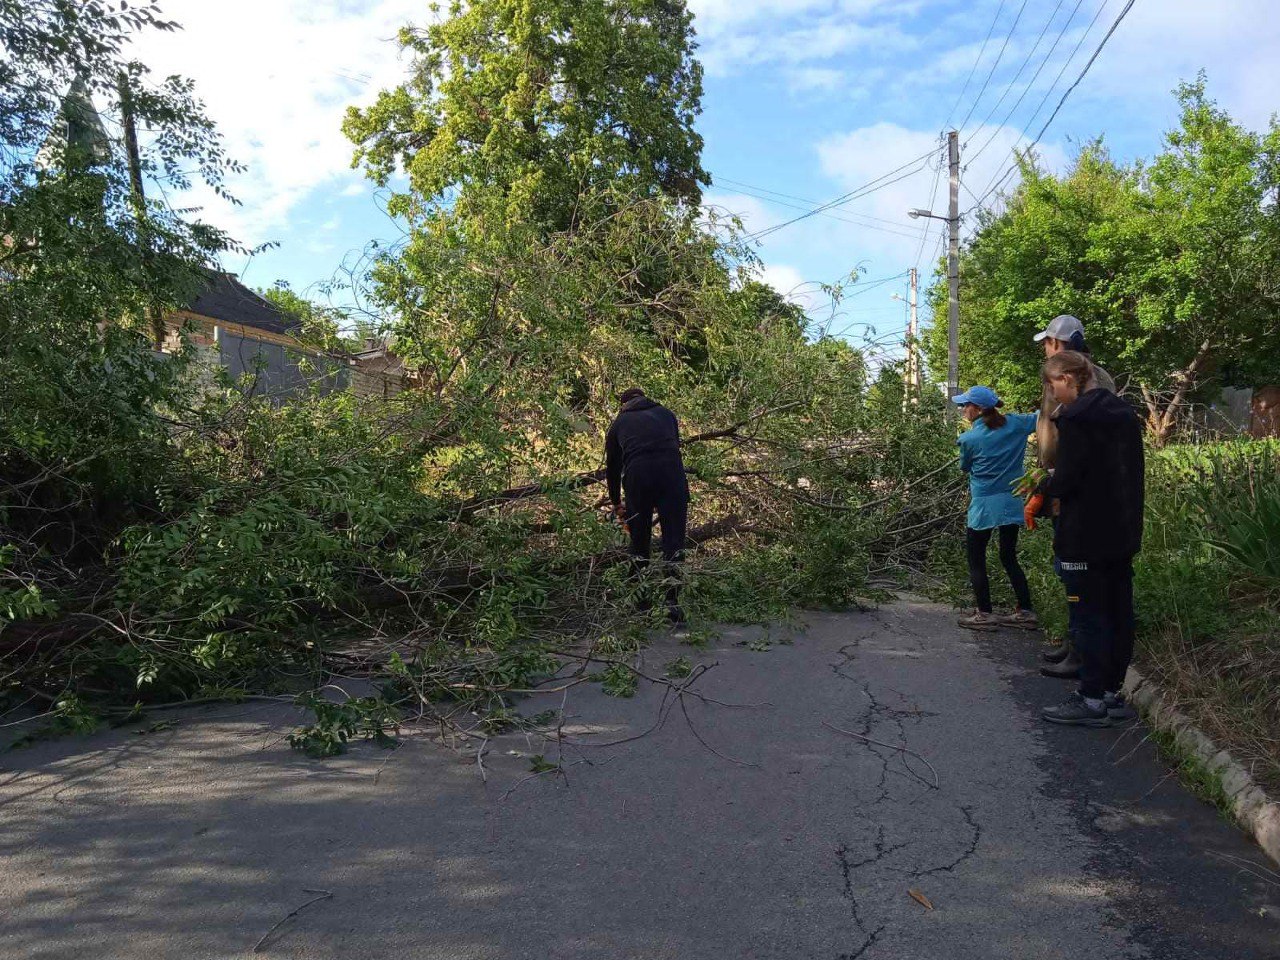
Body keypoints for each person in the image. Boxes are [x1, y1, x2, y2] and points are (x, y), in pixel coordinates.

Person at [1038, 351, 1144, 727]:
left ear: (1068, 378)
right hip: (1122, 531)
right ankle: (1112, 693)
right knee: (1118, 613)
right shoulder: (1123, 413)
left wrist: (1042, 485)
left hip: (1084, 535)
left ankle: (1091, 698)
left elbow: (1068, 480)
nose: (1052, 395)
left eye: (1052, 385)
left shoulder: (1078, 418)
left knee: (1087, 615)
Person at [1030, 315, 1117, 680]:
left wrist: (1043, 482)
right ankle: (1077, 643)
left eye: (1047, 343)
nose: (1045, 350)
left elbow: (1055, 438)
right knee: (1081, 572)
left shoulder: (1063, 378)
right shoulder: (1103, 377)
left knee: (1074, 569)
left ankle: (1082, 653)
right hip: (1095, 485)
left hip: (1069, 485)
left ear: (1057, 343)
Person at [953, 385, 1039, 631]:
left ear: (978, 409)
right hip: (1012, 501)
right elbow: (1042, 418)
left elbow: (965, 467)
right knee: (1008, 556)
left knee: (976, 558)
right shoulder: (1016, 424)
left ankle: (984, 613)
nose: (962, 409)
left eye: (965, 405)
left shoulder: (969, 439)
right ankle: (1025, 611)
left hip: (983, 505)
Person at [605, 387, 690, 623]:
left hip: (638, 478)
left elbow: (612, 469)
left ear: (623, 405)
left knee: (640, 541)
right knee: (673, 541)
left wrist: (616, 502)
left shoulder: (618, 424)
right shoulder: (667, 414)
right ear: (645, 398)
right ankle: (673, 602)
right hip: (672, 476)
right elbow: (672, 445)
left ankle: (641, 603)